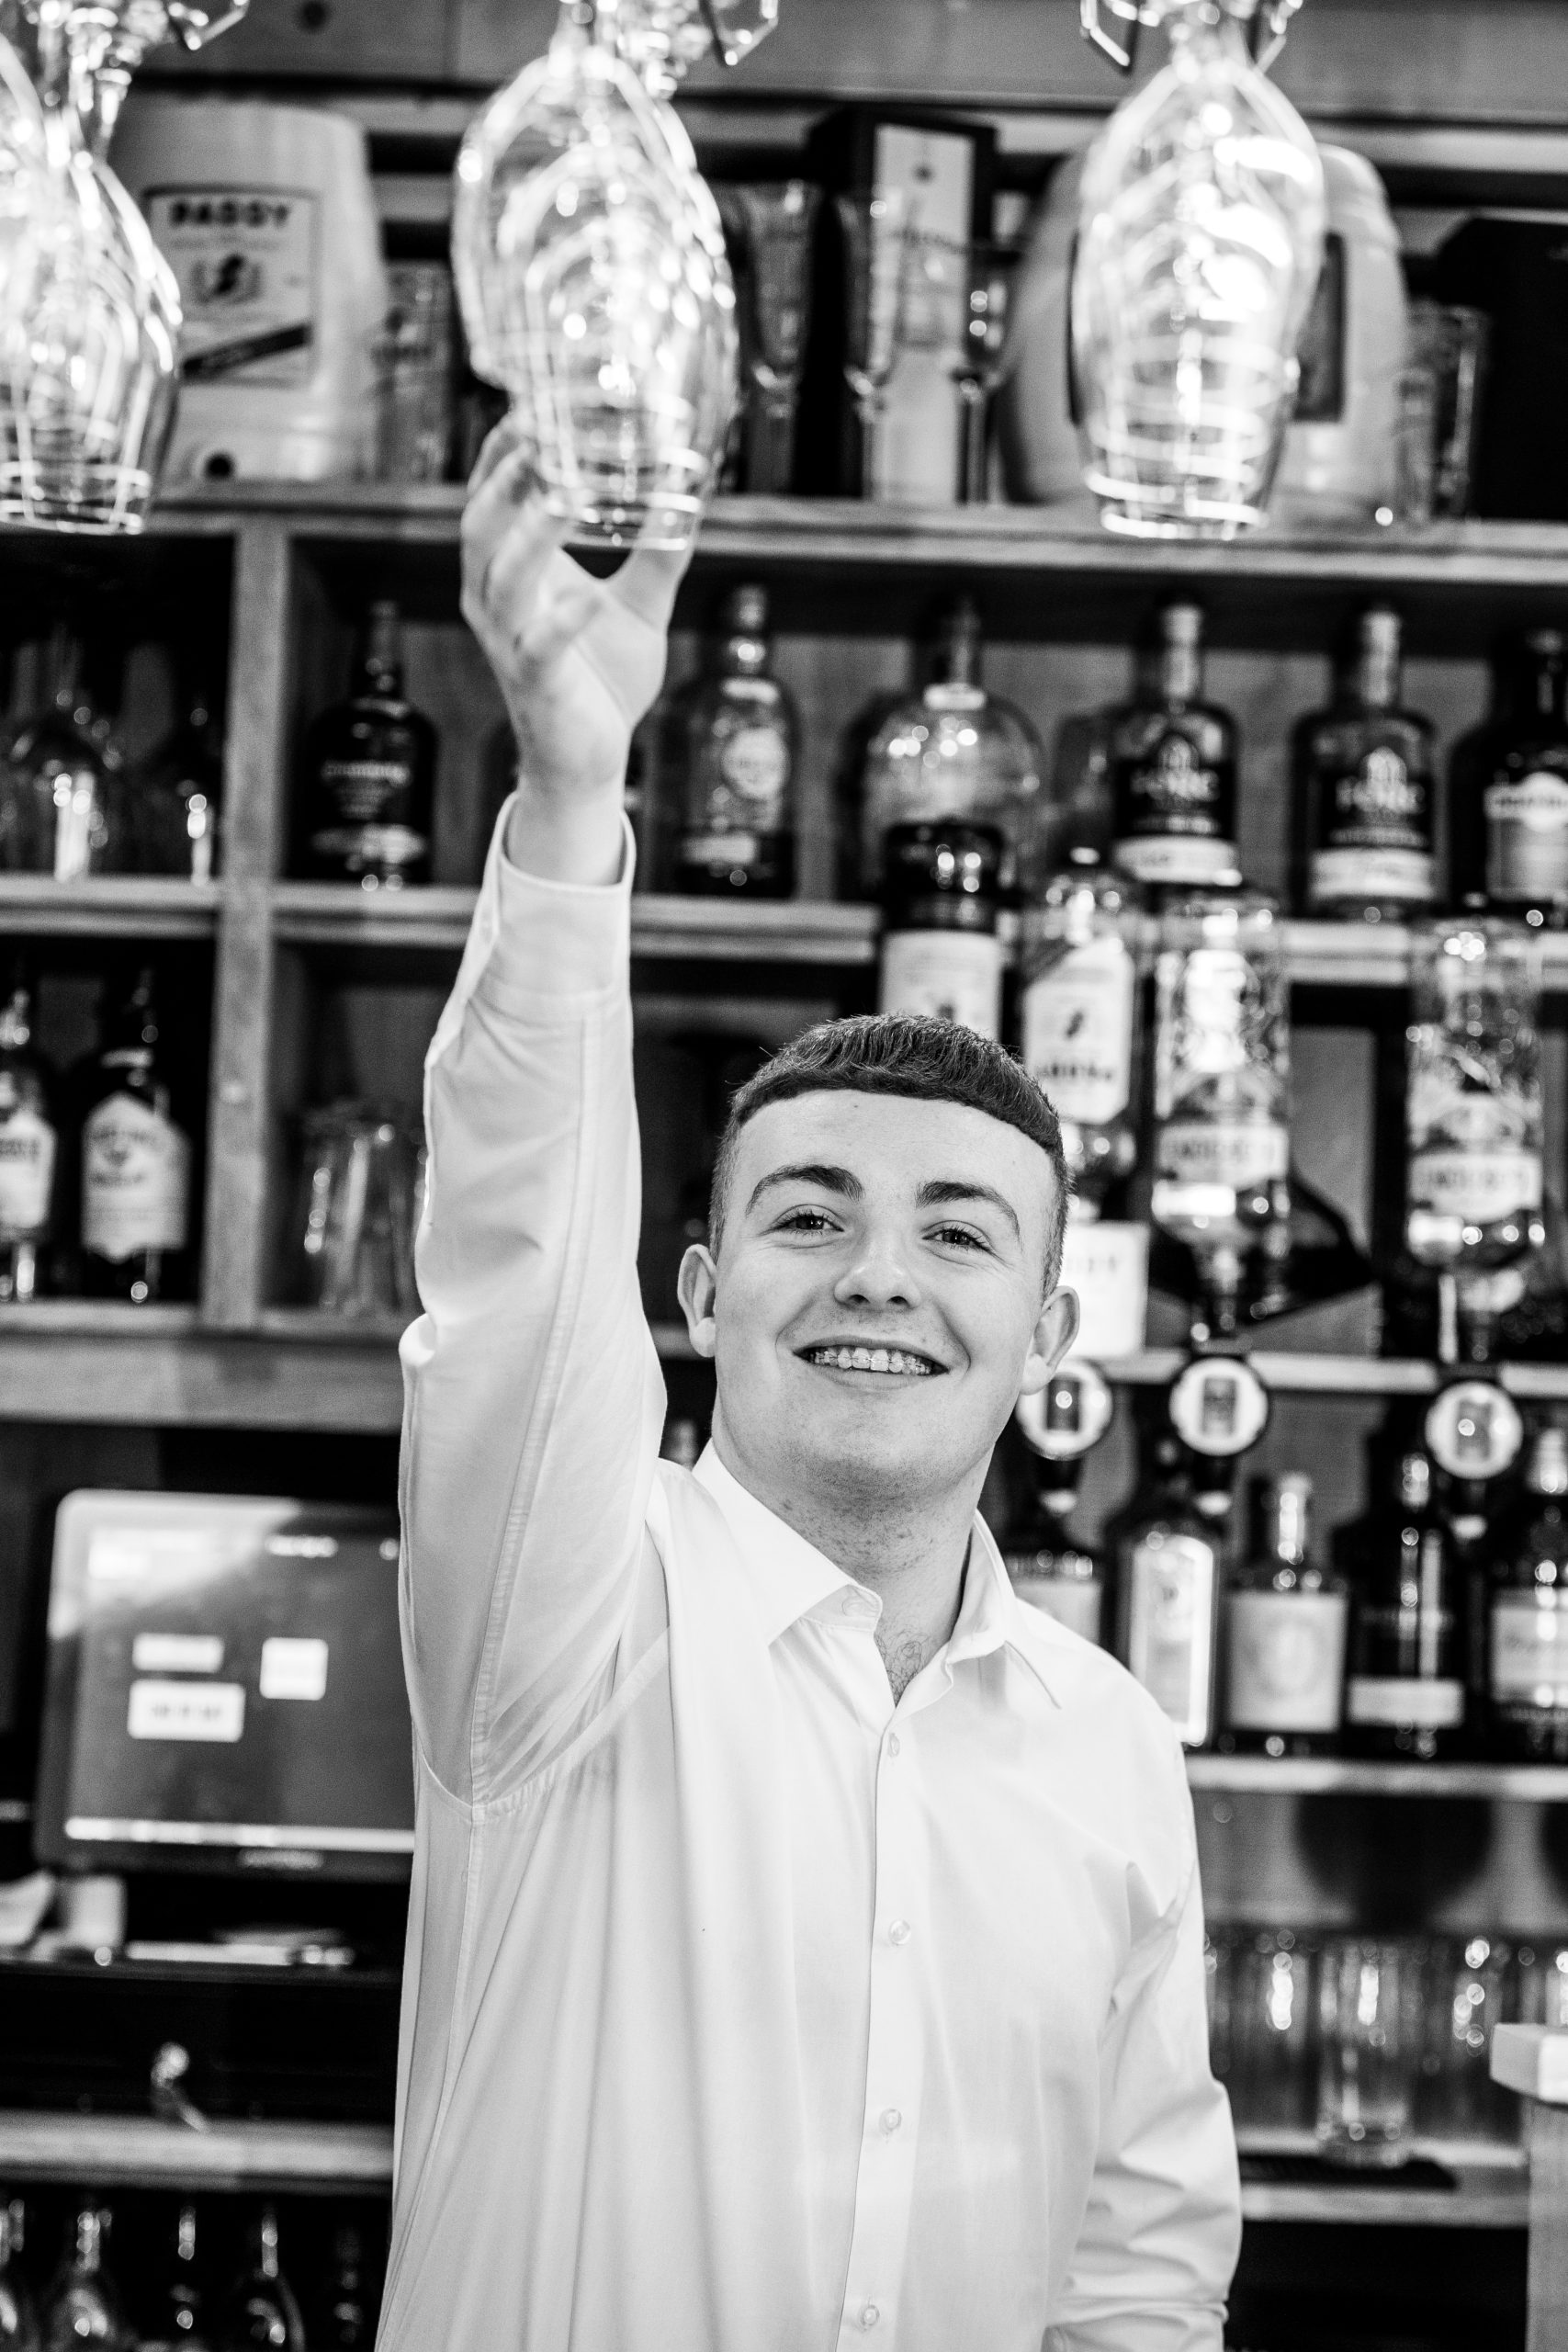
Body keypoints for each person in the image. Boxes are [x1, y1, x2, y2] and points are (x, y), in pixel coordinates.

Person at [375, 422, 1241, 2352]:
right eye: (808, 1214)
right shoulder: (566, 1624)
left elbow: (1136, 2265)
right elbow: (516, 1266)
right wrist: (571, 799)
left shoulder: (1110, 1746)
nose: (878, 1275)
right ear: (699, 1295)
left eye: (958, 1233)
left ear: (1046, 1335)